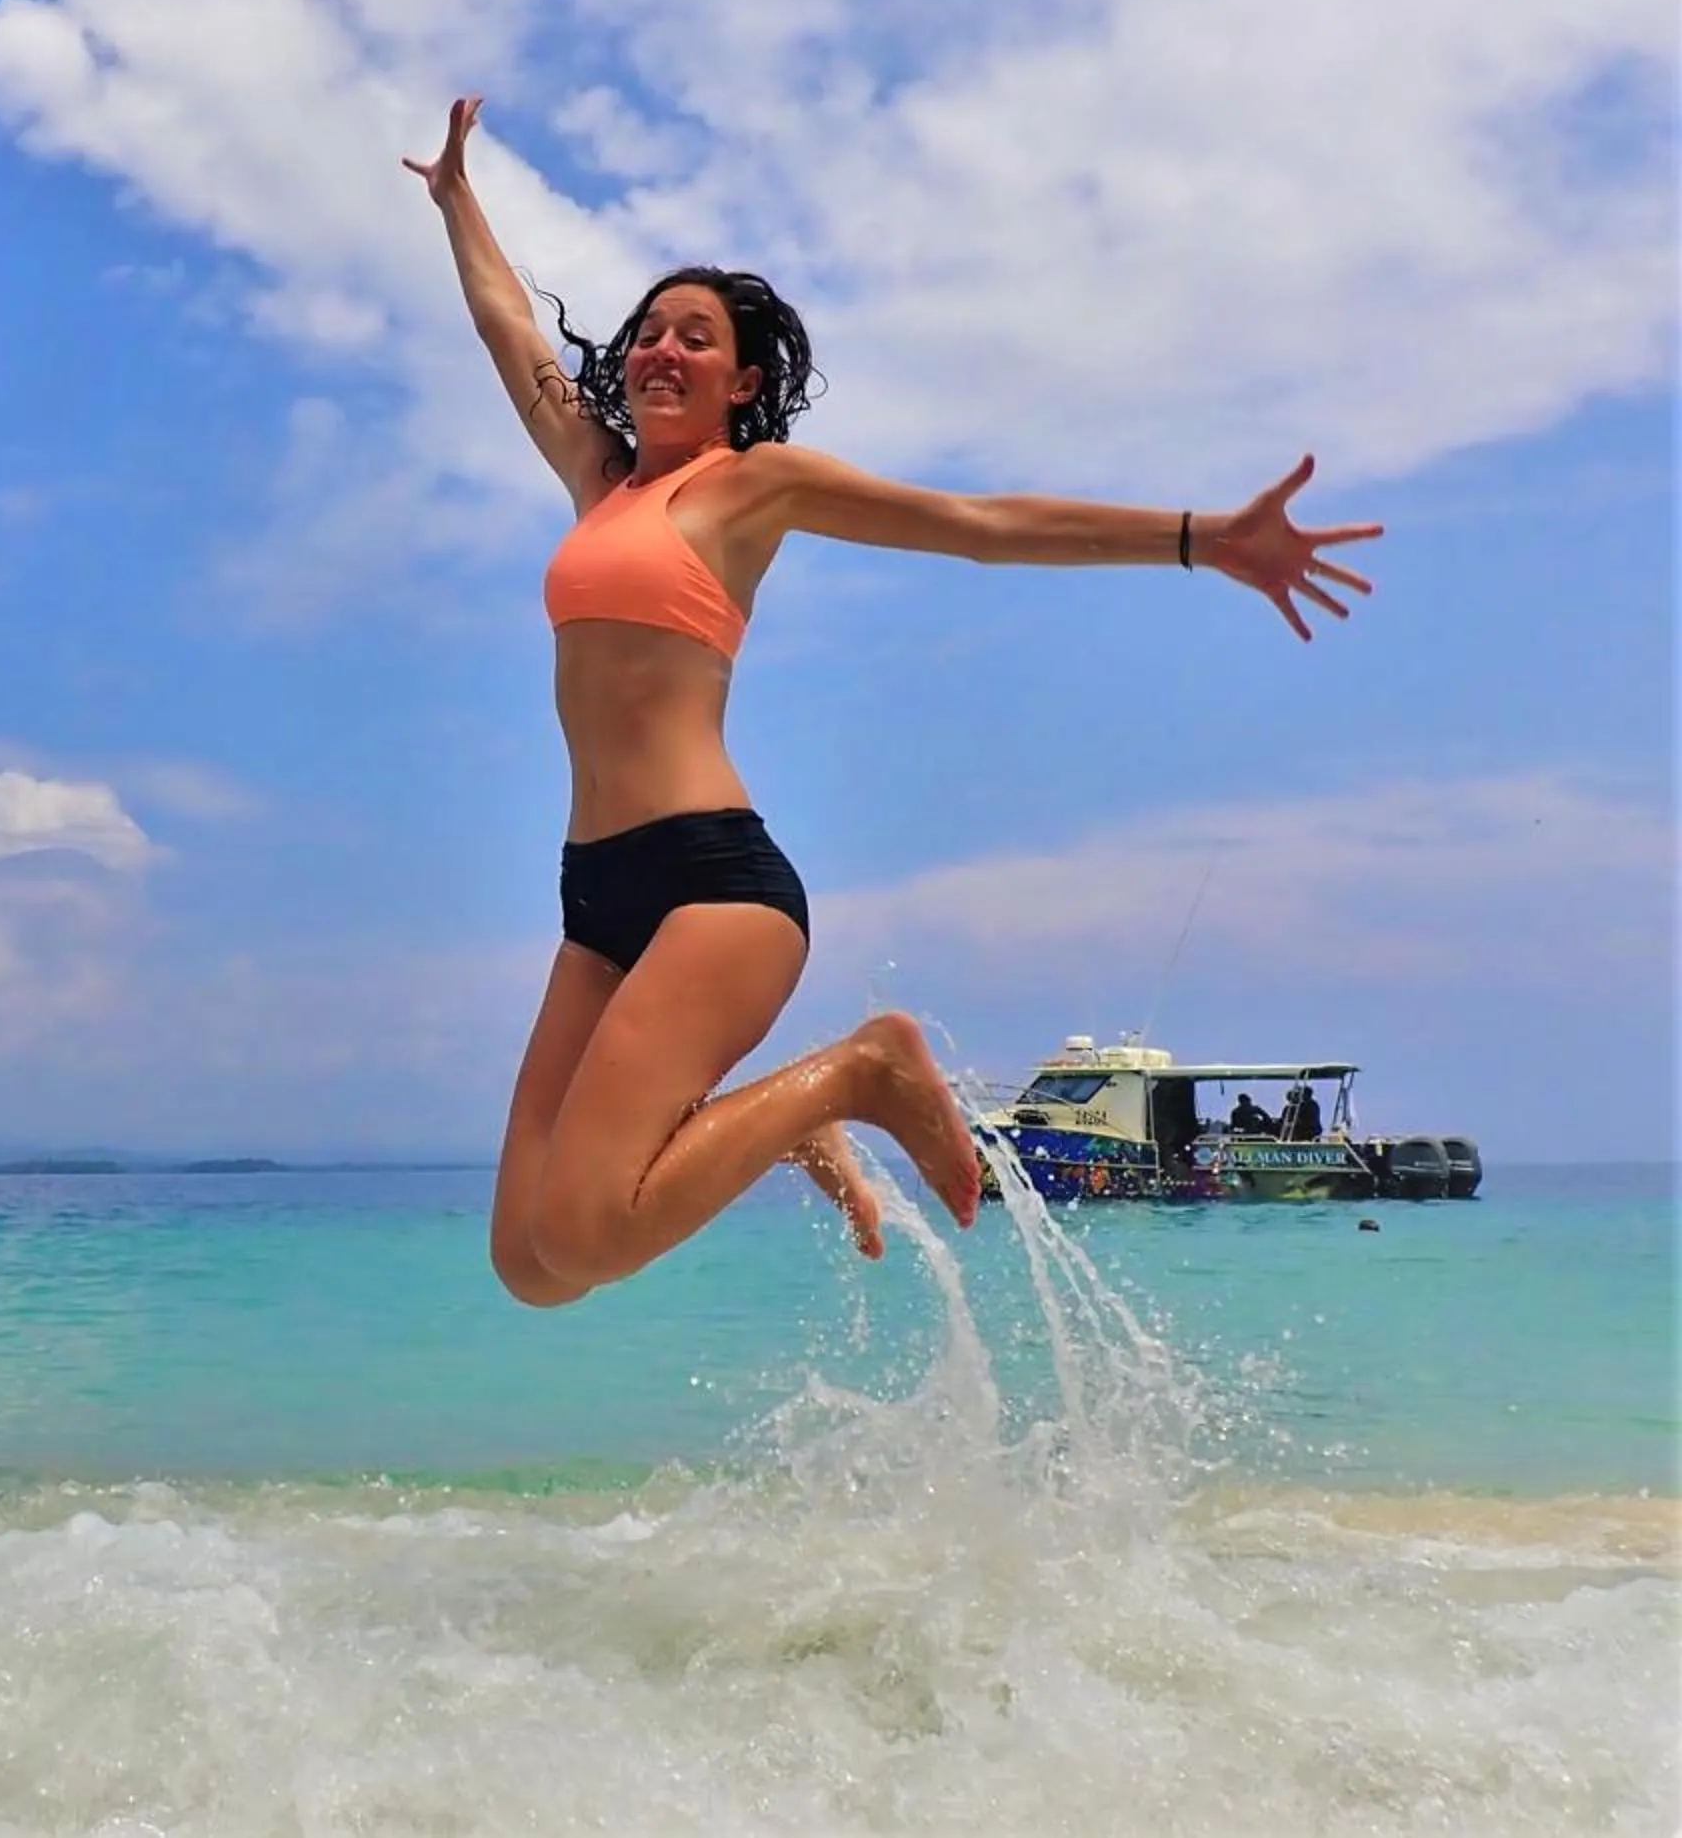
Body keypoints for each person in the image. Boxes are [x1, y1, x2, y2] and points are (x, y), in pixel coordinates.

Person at [403, 95, 1381, 1304]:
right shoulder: (596, 478)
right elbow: (514, 334)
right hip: (595, 896)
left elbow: (977, 527)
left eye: (696, 338)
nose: (660, 349)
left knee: (595, 1232)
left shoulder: (752, 488)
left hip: (711, 884)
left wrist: (1200, 538)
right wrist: (456, 200)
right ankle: (791, 1111)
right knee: (530, 1262)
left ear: (741, 380)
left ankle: (862, 1072)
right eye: (649, 331)